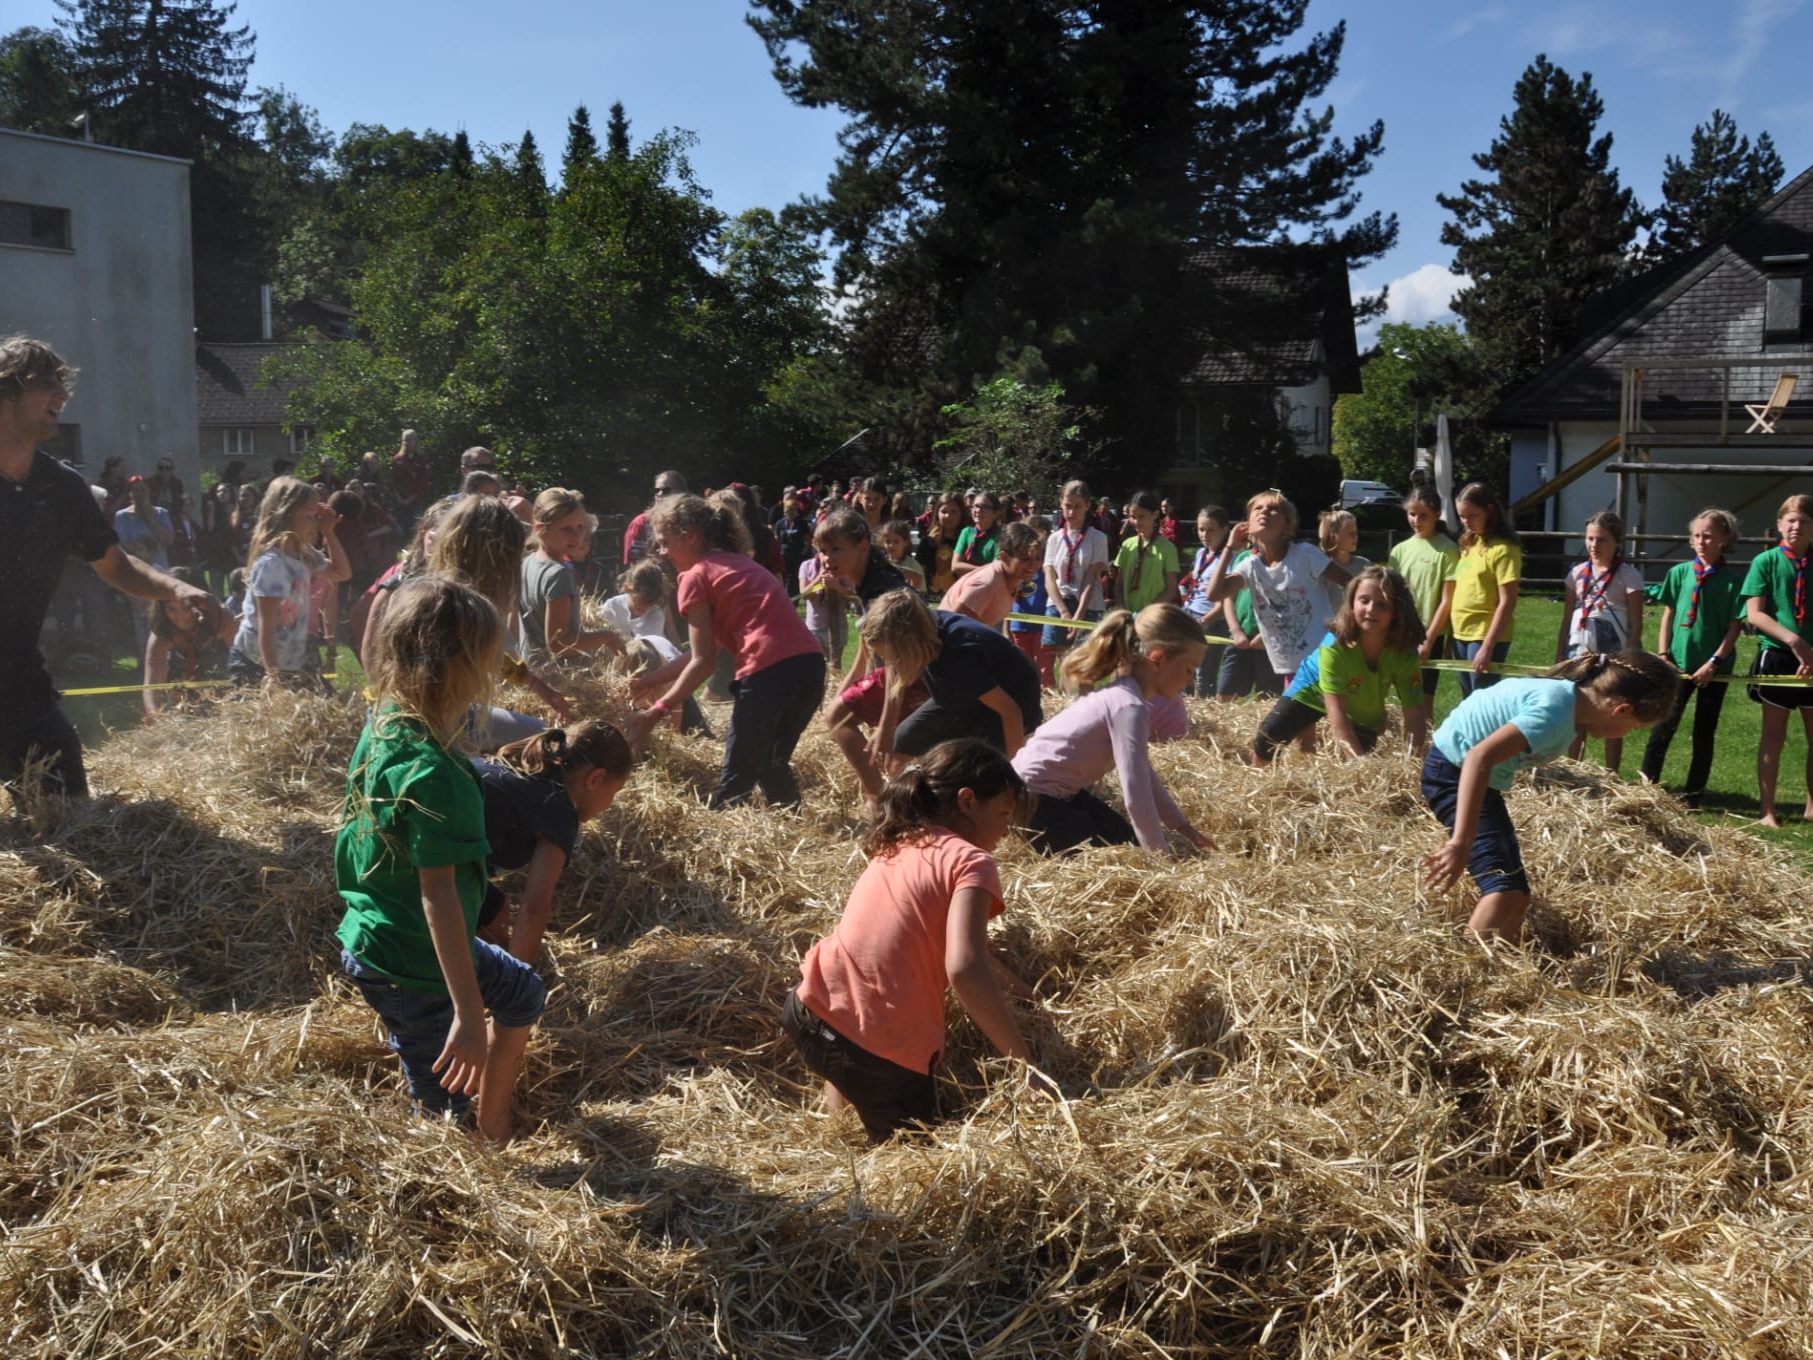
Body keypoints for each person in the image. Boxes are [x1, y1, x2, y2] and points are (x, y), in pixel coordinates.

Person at [335, 576, 546, 1141]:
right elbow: (439, 895)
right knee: (441, 1127)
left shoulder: (382, 725)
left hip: (382, 933)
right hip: (412, 962)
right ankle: (459, 1148)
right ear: (455, 666)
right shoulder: (437, 773)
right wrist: (468, 1012)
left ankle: (494, 1123)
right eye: (484, 662)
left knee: (523, 991)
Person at [782, 738, 1037, 1142]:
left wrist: (1023, 993)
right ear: (967, 802)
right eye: (1004, 813)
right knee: (925, 1153)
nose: (1007, 830)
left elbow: (967, 951)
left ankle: (835, 1134)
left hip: (808, 1013)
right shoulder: (972, 861)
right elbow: (965, 967)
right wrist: (1026, 1068)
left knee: (851, 1047)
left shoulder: (901, 840)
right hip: (877, 1059)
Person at [1421, 649, 1678, 940]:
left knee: (1518, 896)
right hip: (1453, 773)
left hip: (1472, 778)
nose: (1627, 733)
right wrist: (1460, 842)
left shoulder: (1567, 703)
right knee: (1501, 891)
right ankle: (1464, 972)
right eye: (1633, 728)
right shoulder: (1555, 715)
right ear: (1622, 710)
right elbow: (1478, 757)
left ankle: (1496, 969)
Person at [626, 492, 827, 807]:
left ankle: (722, 818)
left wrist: (656, 711)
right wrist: (651, 681)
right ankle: (790, 819)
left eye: (665, 542)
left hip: (769, 674)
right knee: (770, 762)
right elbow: (699, 654)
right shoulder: (738, 564)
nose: (662, 552)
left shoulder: (694, 577)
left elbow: (704, 664)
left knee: (737, 775)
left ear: (689, 536)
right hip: (810, 668)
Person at [1014, 604, 1209, 855]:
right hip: (1033, 801)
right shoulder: (1129, 706)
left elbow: (1145, 777)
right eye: (1189, 670)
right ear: (1158, 658)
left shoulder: (1125, 697)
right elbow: (1136, 794)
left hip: (1051, 794)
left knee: (1125, 843)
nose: (1191, 680)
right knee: (1112, 856)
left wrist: (1183, 827)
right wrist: (1161, 859)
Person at [473, 721, 633, 962]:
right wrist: (519, 981)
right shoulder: (558, 808)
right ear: (595, 779)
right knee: (493, 929)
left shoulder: (520, 767)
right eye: (615, 792)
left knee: (496, 913)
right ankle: (503, 985)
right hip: (425, 872)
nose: (610, 803)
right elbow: (534, 907)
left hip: (413, 844)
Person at [1251, 567, 1428, 764]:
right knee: (1267, 738)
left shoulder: (1404, 653)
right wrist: (1359, 765)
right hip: (1311, 688)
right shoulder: (1334, 646)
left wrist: (1413, 762)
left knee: (1362, 754)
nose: (1371, 609)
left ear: (1396, 611)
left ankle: (1378, 719)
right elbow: (1337, 712)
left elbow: (1414, 715)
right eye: (1364, 600)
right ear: (1352, 602)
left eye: (1383, 605)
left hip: (1363, 698)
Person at [858, 589, 1042, 759]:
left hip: (1006, 708)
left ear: (909, 645)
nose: (892, 663)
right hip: (960, 694)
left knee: (969, 768)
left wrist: (1014, 771)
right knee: (903, 743)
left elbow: (1010, 711)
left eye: (896, 656)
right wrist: (886, 725)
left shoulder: (956, 656)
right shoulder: (923, 625)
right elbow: (894, 669)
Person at [1639, 509, 1744, 807]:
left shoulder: (1733, 583)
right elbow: (1668, 614)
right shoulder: (1679, 574)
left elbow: (1734, 628)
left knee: (1703, 731)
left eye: (1708, 535)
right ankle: (1647, 788)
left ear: (1724, 539)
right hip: (1677, 664)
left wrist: (1714, 662)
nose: (1701, 541)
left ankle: (1694, 794)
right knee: (1662, 727)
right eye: (1696, 535)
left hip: (1713, 669)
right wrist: (1663, 654)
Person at [1203, 490, 1350, 690]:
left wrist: (1346, 621)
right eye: (1258, 508)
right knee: (1298, 719)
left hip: (1323, 658)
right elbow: (1214, 594)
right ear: (1248, 523)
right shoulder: (1249, 566)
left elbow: (1351, 583)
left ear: (1287, 524)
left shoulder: (1306, 555)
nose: (1264, 512)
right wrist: (1229, 548)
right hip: (1289, 667)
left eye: (1273, 509)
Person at [226, 476, 351, 687]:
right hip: (256, 664)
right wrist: (272, 677)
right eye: (311, 515)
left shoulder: (303, 554)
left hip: (291, 662)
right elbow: (267, 625)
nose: (316, 521)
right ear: (286, 514)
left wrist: (329, 532)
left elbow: (342, 573)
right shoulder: (272, 563)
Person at [1742, 494, 1813, 828]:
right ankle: (1767, 811)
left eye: (1804, 521)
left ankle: (1811, 806)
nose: (1796, 526)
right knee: (1773, 737)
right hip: (1778, 656)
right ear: (1780, 524)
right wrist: (1794, 641)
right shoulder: (1766, 561)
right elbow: (1755, 614)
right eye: (1790, 520)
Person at [1556, 511, 1645, 773]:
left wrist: (1628, 656)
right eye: (1590, 539)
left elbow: (1636, 622)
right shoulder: (1576, 574)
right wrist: (1560, 651)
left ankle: (1611, 774)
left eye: (1602, 540)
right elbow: (1567, 615)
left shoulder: (1628, 576)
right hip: (1579, 648)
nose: (1595, 545)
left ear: (1617, 541)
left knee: (1612, 710)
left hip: (1612, 651)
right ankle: (1573, 770)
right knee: (1577, 711)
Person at [521, 488, 626, 660]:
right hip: (560, 676)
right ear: (540, 529)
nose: (577, 536)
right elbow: (558, 644)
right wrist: (608, 637)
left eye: (580, 527)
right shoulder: (558, 575)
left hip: (536, 670)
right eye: (566, 529)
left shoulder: (528, 562)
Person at [1390, 487, 1460, 728]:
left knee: (1424, 701)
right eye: (1412, 514)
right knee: (1404, 700)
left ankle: (1423, 753)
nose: (1416, 521)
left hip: (1432, 634)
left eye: (1423, 515)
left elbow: (1447, 600)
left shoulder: (1448, 550)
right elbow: (1392, 596)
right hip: (1401, 634)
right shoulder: (1399, 551)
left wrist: (1428, 641)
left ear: (1437, 514)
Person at [1448, 483, 1522, 696]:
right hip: (1460, 633)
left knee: (1481, 701)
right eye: (1462, 516)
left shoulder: (1504, 550)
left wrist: (1488, 647)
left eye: (1472, 515)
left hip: (1485, 634)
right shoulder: (1468, 545)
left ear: (1489, 511)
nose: (1466, 522)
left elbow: (1507, 602)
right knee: (1467, 700)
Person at [141, 566, 234, 722]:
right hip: (181, 697)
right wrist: (154, 714)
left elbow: (242, 662)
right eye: (172, 609)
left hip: (224, 697)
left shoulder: (222, 618)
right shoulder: (162, 632)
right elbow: (152, 684)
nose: (181, 616)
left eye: (187, 608)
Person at [1042, 479, 1112, 664]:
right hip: (1059, 603)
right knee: (1059, 659)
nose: (1071, 513)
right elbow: (1049, 577)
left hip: (1088, 605)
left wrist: (1078, 615)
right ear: (1061, 504)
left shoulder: (1098, 538)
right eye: (1068, 506)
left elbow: (1091, 577)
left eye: (1078, 507)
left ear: (1087, 506)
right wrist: (1064, 612)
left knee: (1084, 661)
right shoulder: (1054, 539)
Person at [939, 519, 1045, 631]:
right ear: (1004, 557)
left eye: (1038, 558)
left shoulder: (1014, 578)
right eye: (1025, 558)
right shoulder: (986, 583)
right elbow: (954, 623)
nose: (1033, 564)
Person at [1180, 505, 1232, 698]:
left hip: (1211, 620)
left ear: (1224, 530)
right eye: (1201, 529)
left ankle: (1205, 711)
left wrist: (1204, 621)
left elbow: (1225, 600)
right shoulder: (1201, 553)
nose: (1205, 534)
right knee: (1183, 668)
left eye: (1211, 530)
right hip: (1190, 613)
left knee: (1204, 673)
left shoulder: (1228, 559)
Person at [1114, 491, 1180, 614]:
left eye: (1141, 516)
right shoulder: (1127, 545)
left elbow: (1171, 589)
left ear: (1155, 514)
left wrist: (1147, 611)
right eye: (1133, 517)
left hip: (1153, 616)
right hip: (1128, 614)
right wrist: (1121, 607)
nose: (1137, 522)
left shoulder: (1167, 548)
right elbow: (1118, 584)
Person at [622, 470, 686, 565]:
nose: (659, 494)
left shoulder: (691, 522)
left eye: (666, 490)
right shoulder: (641, 523)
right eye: (657, 490)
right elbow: (634, 565)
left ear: (682, 493)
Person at [1316, 509, 1369, 624]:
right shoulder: (1319, 567)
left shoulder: (1364, 566)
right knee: (1327, 643)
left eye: (1356, 533)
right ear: (1334, 536)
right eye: (1351, 533)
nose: (1356, 537)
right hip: (1327, 632)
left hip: (1355, 631)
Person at [599, 560, 669, 643]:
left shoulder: (655, 616)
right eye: (639, 603)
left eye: (648, 605)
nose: (643, 609)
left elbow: (647, 645)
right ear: (627, 588)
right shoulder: (612, 606)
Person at [915, 492, 967, 596]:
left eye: (953, 512)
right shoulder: (928, 541)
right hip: (931, 598)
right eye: (944, 511)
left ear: (961, 513)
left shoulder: (968, 540)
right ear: (937, 513)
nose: (948, 516)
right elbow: (920, 571)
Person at [950, 492, 1004, 577]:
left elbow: (995, 571)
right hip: (965, 584)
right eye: (976, 506)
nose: (978, 510)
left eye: (984, 507)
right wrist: (983, 570)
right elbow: (955, 566)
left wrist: (967, 568)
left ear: (995, 513)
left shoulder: (1001, 537)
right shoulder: (967, 532)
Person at [390, 429, 430, 530]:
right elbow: (393, 480)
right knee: (400, 530)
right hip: (400, 501)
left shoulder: (421, 459)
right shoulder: (397, 459)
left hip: (415, 502)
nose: (406, 443)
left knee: (415, 529)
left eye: (409, 440)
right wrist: (398, 498)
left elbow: (423, 482)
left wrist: (410, 499)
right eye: (404, 440)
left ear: (415, 441)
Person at [879, 518, 927, 593]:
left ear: (906, 542)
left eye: (896, 541)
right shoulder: (879, 564)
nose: (891, 545)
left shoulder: (913, 566)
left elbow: (921, 593)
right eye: (888, 542)